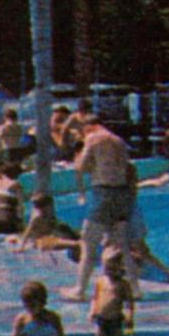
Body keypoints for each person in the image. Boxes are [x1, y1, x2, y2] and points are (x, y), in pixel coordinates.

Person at [65, 116, 133, 302]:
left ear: (88, 127)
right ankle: (135, 289)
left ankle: (80, 290)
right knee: (121, 245)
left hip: (103, 192)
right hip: (121, 192)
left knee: (88, 242)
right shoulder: (119, 141)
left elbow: (80, 167)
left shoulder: (93, 138)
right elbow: (126, 169)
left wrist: (81, 157)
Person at [88, 247, 134, 336]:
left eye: (113, 268)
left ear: (121, 267)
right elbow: (95, 298)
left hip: (116, 320)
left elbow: (128, 303)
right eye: (107, 268)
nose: (110, 271)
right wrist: (92, 310)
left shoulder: (123, 284)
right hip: (101, 319)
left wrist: (129, 316)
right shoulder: (100, 281)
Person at [9, 193, 79, 258]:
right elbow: (28, 233)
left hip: (50, 237)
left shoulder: (50, 216)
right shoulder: (37, 218)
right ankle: (76, 244)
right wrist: (21, 247)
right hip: (41, 241)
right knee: (61, 242)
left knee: (66, 234)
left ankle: (76, 243)